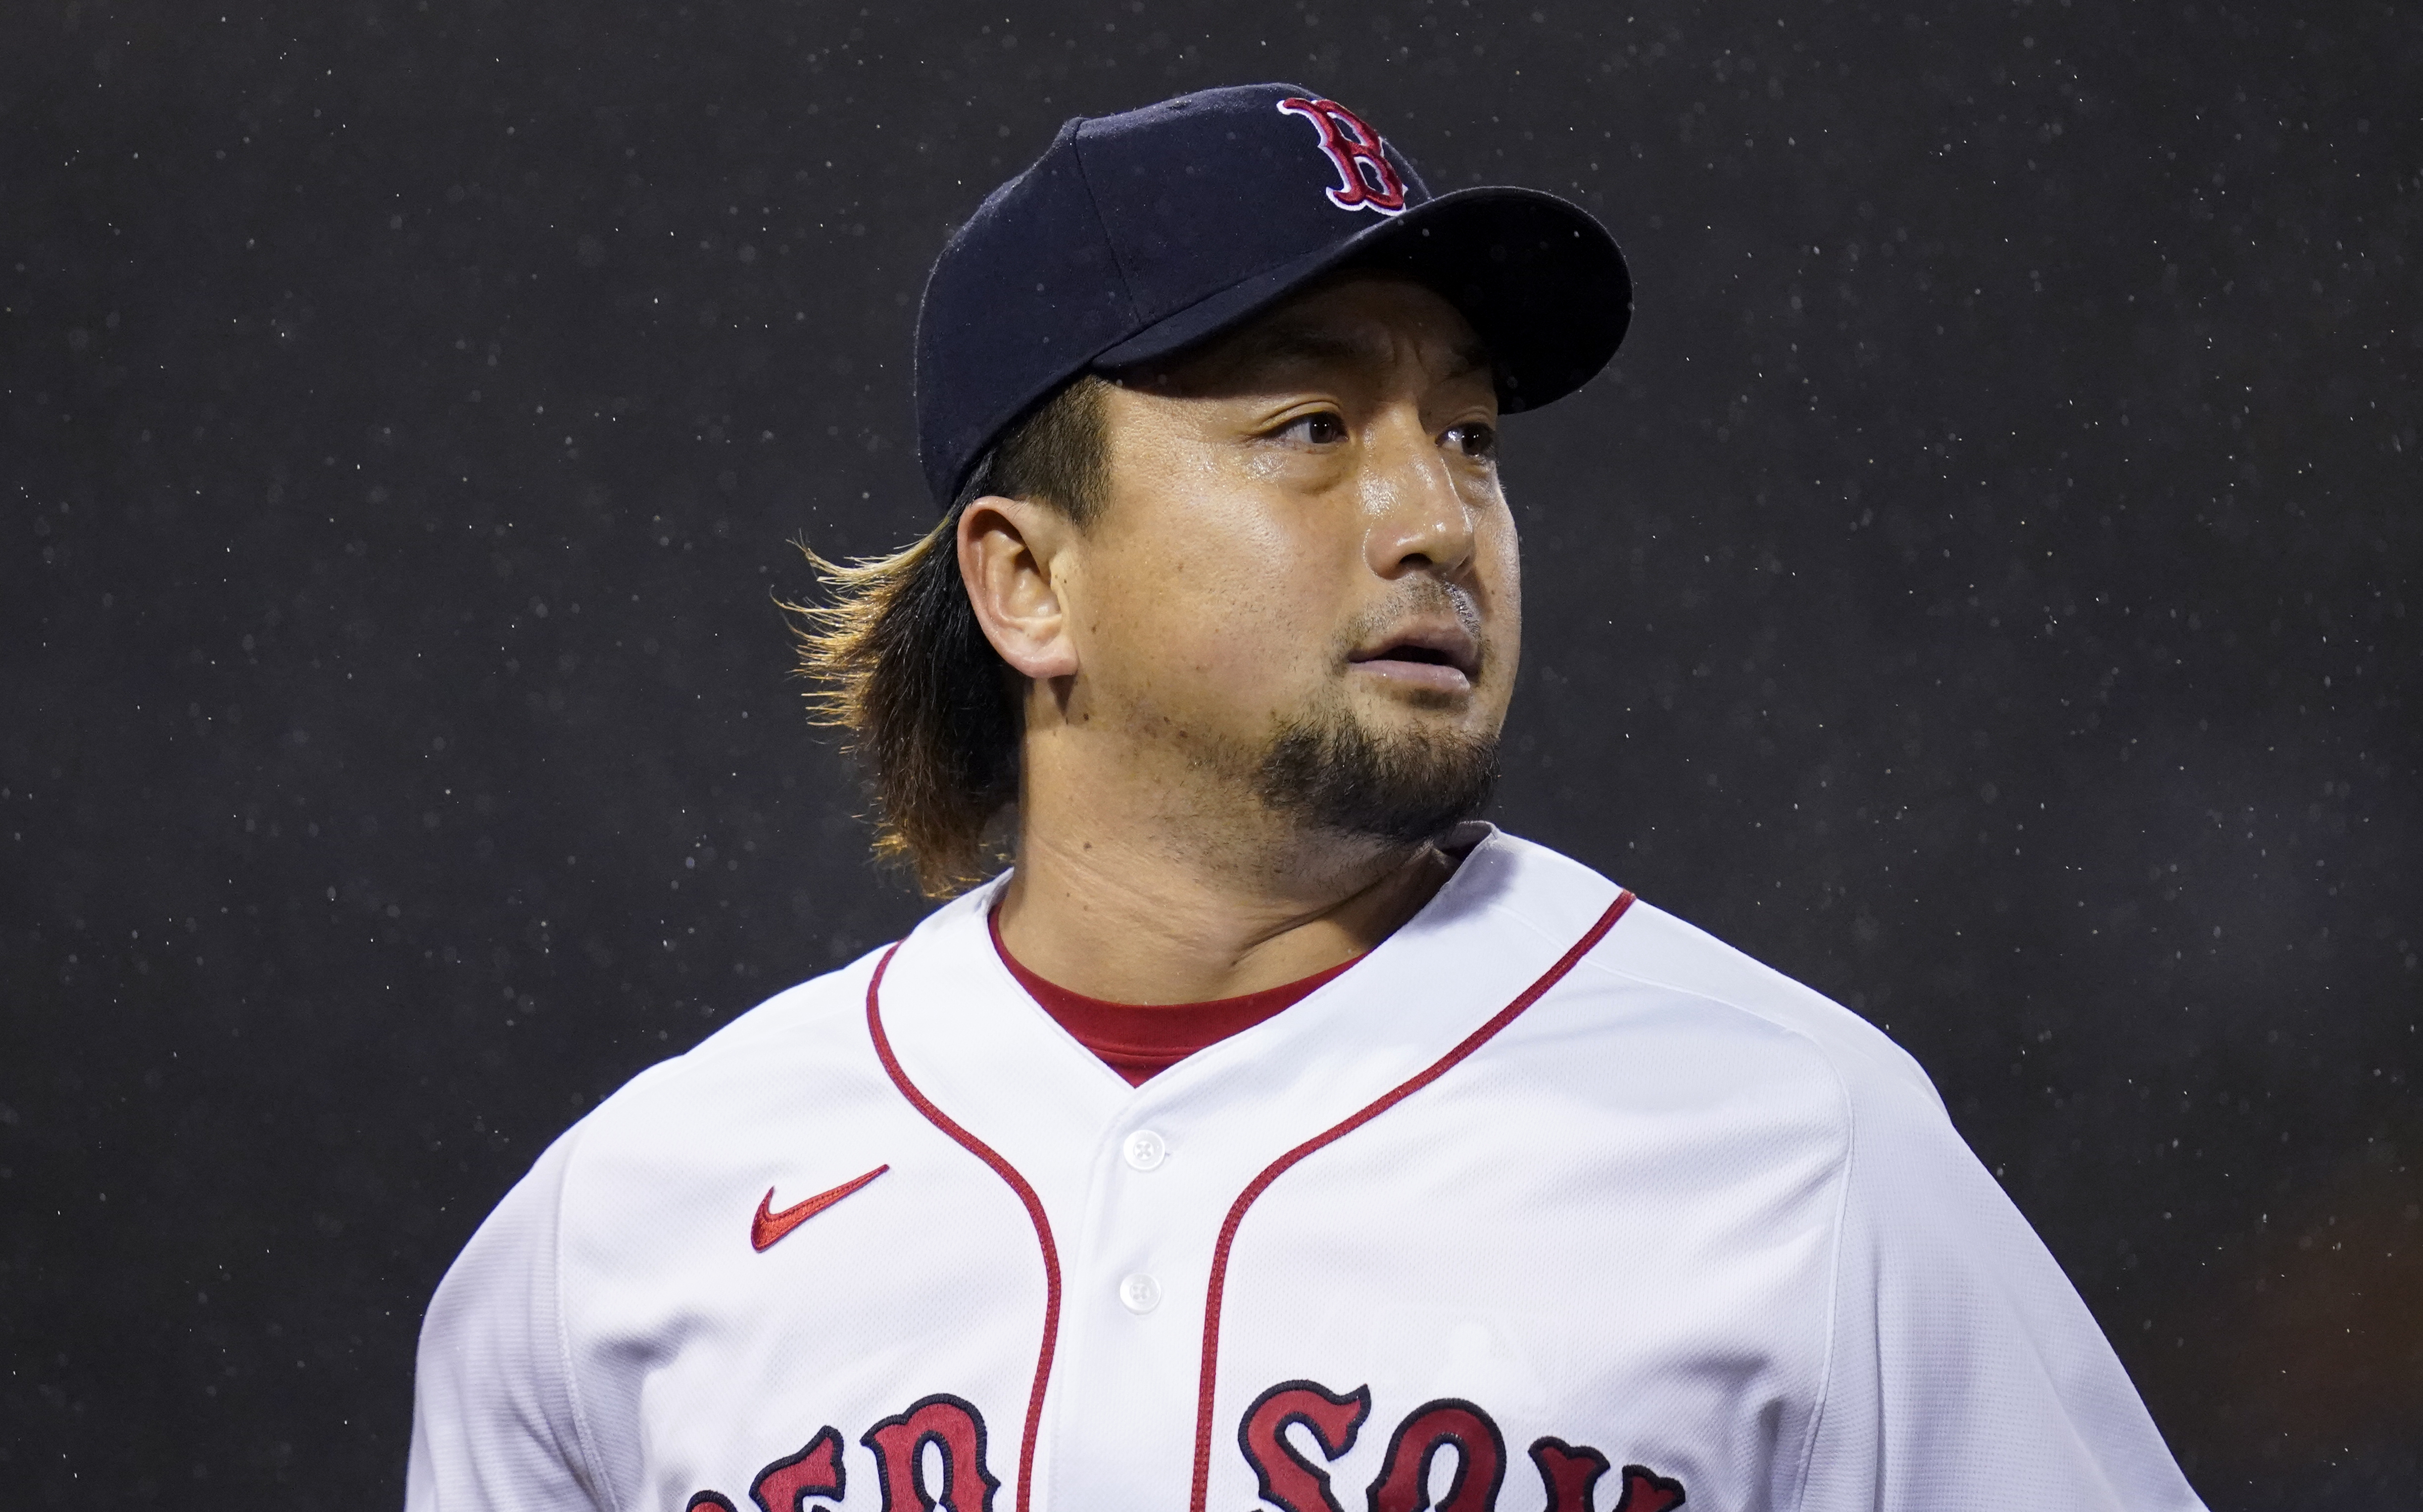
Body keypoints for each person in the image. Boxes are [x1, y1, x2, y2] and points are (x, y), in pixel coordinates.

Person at [407, 84, 2206, 1512]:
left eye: (1471, 435)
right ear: (1027, 581)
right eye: (1310, 430)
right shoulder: (625, 1234)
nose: (1435, 516)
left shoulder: (1797, 1148)